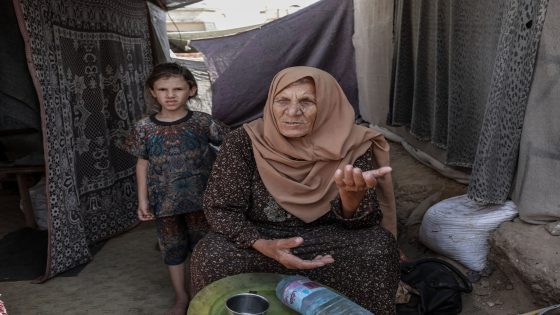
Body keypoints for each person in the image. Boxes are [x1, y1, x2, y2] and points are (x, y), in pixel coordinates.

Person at [189, 66, 399, 314]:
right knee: (212, 255)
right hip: (262, 237)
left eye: (307, 102)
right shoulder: (244, 141)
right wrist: (262, 243)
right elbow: (220, 207)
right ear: (271, 102)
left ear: (328, 106)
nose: (292, 112)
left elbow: (365, 223)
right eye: (283, 100)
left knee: (378, 248)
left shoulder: (353, 144)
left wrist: (351, 199)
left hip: (329, 237)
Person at [123, 62, 228, 315]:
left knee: (204, 248)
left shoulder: (203, 122)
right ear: (153, 92)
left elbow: (231, 148)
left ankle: (204, 293)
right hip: (164, 202)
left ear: (191, 90)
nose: (170, 95)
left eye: (177, 89)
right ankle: (181, 297)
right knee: (173, 249)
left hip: (202, 200)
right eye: (163, 89)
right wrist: (142, 201)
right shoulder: (143, 128)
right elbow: (142, 165)